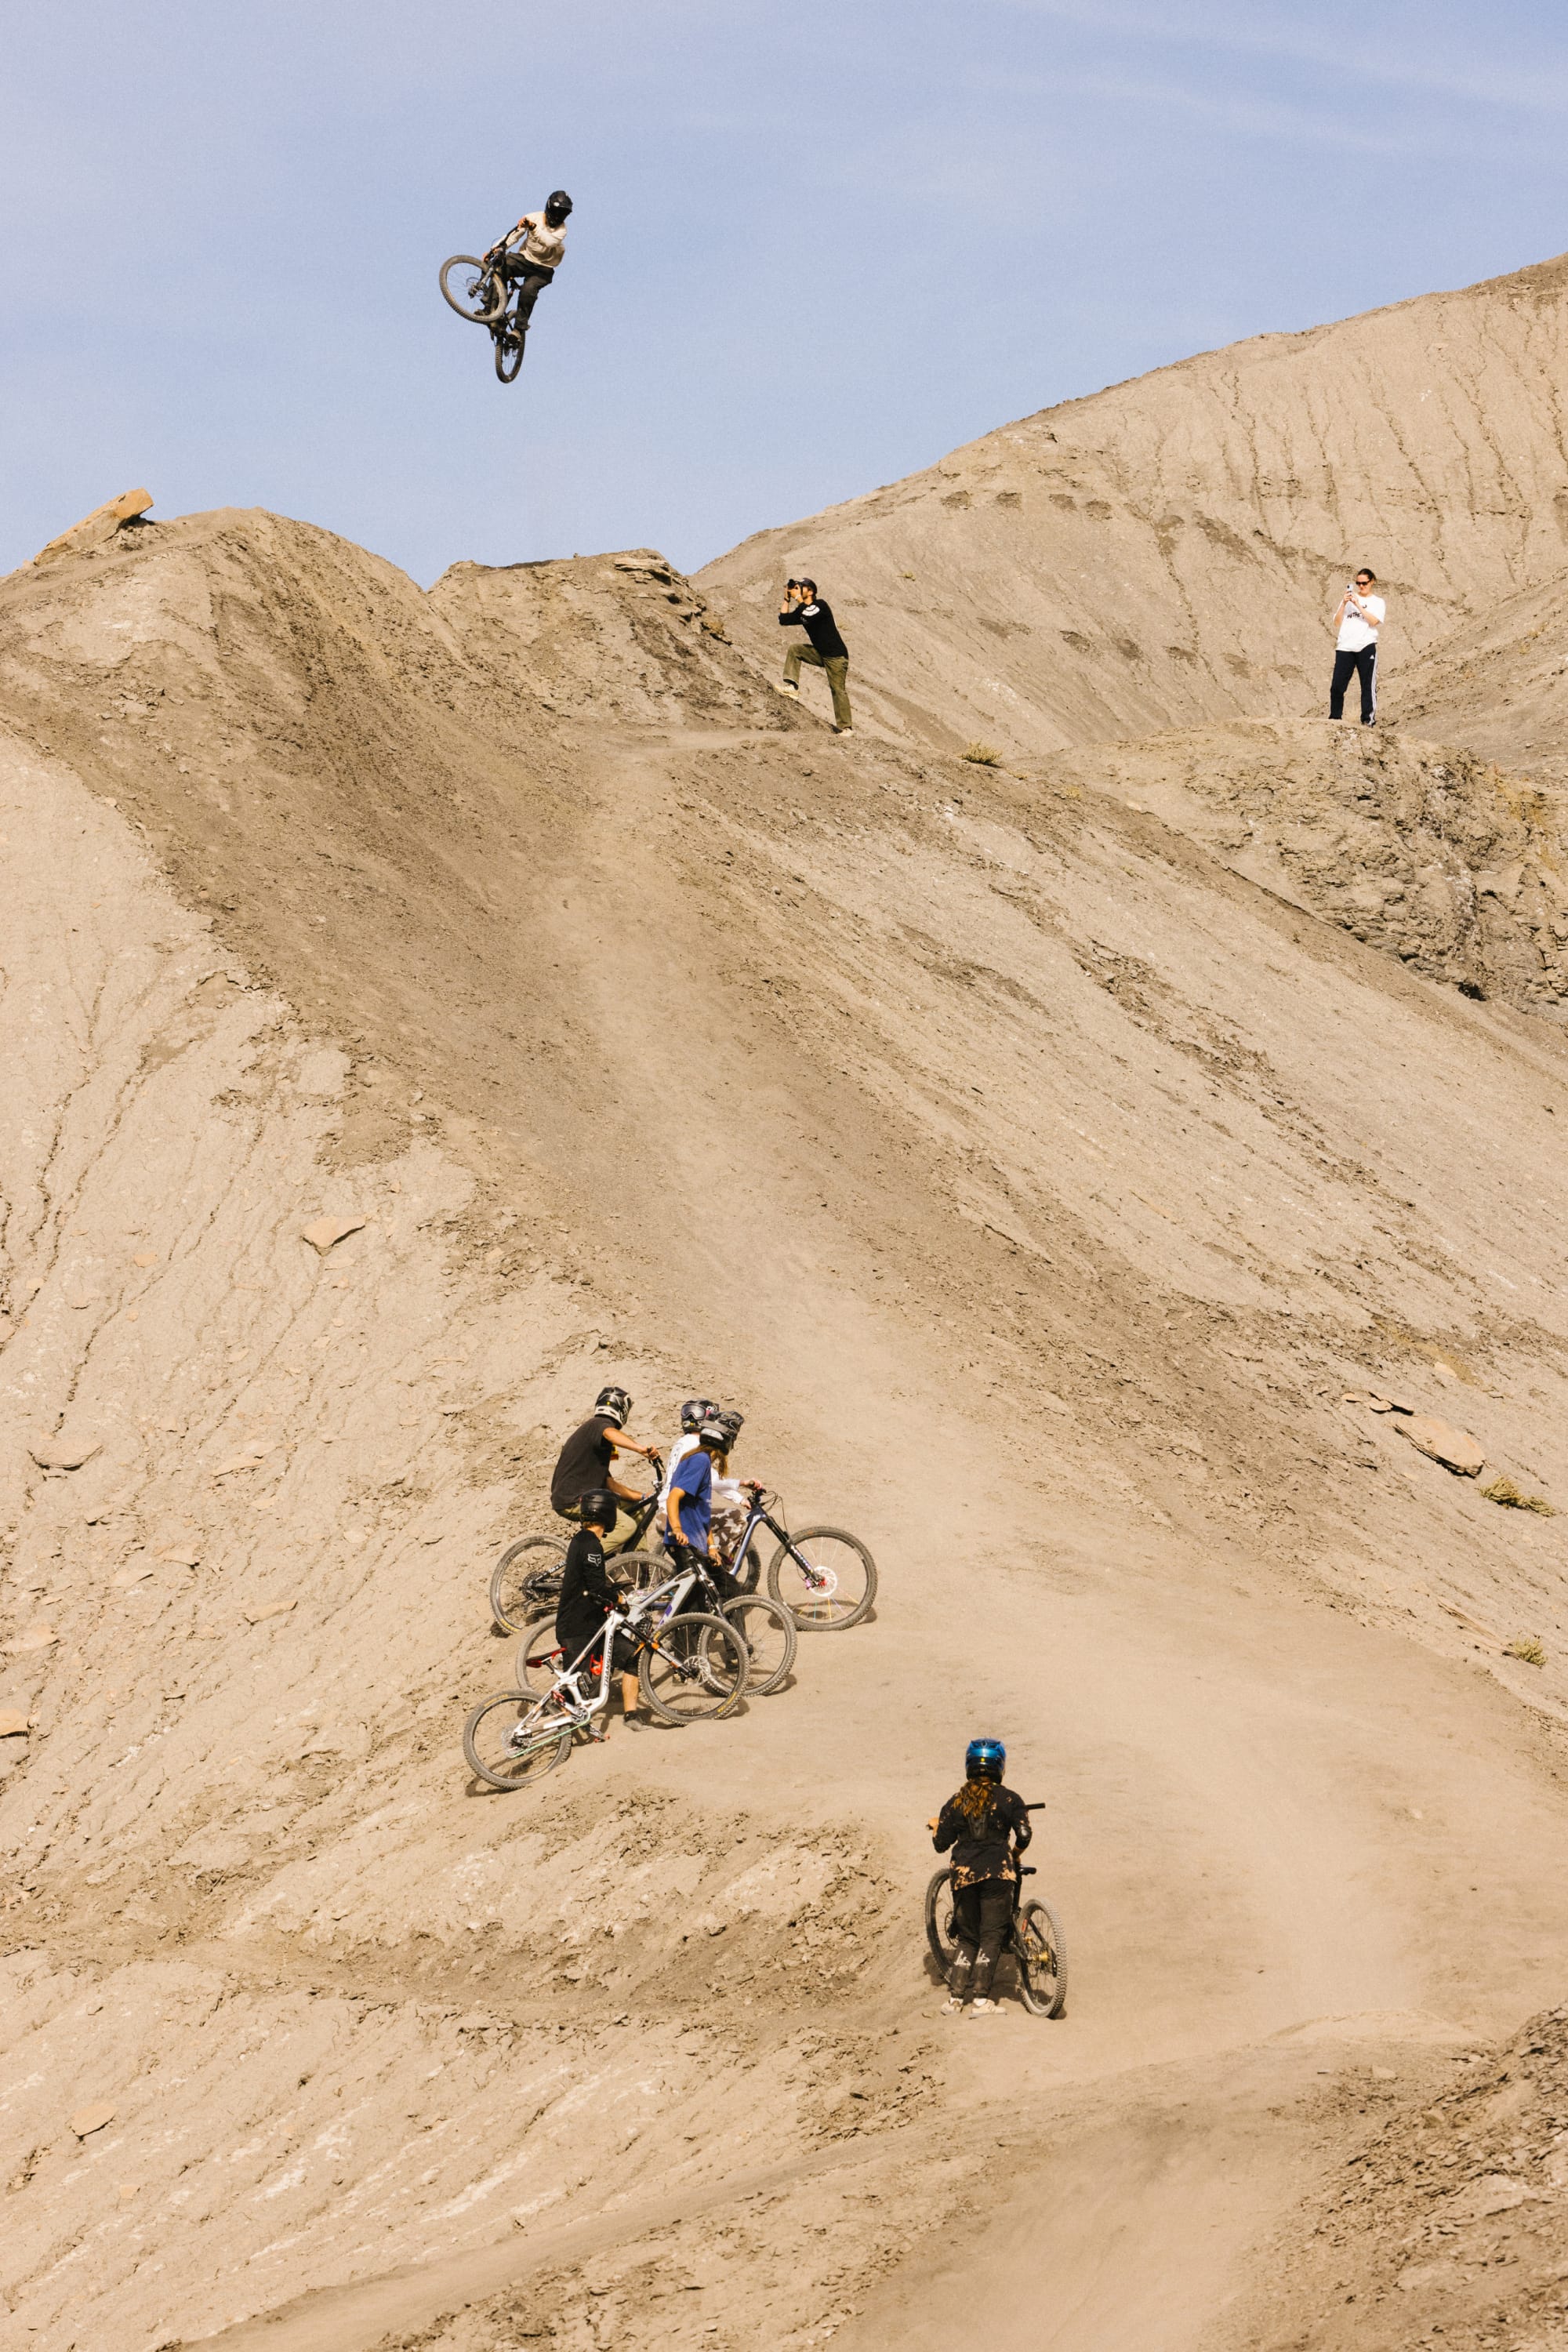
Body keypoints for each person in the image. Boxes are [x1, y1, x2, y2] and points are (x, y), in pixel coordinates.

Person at [928, 1739, 1031, 2015]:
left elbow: (940, 1844)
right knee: (992, 1935)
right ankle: (982, 2000)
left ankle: (955, 2000)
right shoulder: (1010, 1799)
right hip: (998, 1873)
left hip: (963, 1875)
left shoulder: (956, 1802)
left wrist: (937, 1826)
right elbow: (1024, 1835)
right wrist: (1016, 1854)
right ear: (1000, 1766)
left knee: (968, 1936)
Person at [554, 1489, 640, 1737]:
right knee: (573, 1687)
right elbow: (595, 1587)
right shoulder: (592, 1545)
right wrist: (619, 1599)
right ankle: (562, 1732)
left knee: (631, 1655)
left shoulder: (581, 1540)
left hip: (590, 1624)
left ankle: (631, 1715)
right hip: (579, 1628)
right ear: (606, 1514)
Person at [550, 1386, 659, 1555]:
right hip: (573, 1500)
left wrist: (644, 1497)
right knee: (627, 1526)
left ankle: (638, 1565)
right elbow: (609, 1433)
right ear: (622, 1410)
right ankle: (583, 1560)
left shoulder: (594, 1439)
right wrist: (640, 1449)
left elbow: (609, 1483)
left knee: (635, 1508)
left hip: (585, 1497)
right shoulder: (598, 1425)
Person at [664, 1411, 739, 1601]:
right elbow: (673, 1497)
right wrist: (678, 1529)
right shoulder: (700, 1461)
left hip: (695, 1542)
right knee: (722, 1591)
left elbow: (701, 1514)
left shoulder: (699, 1458)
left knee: (712, 1593)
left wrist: (712, 1547)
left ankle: (720, 1629)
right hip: (685, 1542)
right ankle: (731, 1631)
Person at [491, 189, 573, 334]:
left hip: (544, 269)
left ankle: (518, 331)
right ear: (549, 207)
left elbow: (548, 242)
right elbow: (513, 237)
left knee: (528, 290)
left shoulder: (562, 230)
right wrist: (494, 250)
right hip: (525, 259)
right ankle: (491, 310)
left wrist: (533, 228)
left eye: (562, 214)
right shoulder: (533, 218)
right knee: (501, 264)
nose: (558, 217)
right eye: (556, 212)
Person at [779, 579, 853, 734]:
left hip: (836, 657)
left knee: (837, 689)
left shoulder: (821, 605)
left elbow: (809, 612)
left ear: (811, 591)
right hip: (820, 653)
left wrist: (798, 597)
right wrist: (786, 599)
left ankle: (847, 728)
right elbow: (783, 620)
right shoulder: (802, 609)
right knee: (795, 649)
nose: (798, 589)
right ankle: (792, 687)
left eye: (802, 587)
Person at [1329, 568, 1385, 726]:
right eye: (1358, 583)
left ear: (1372, 581)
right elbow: (1337, 622)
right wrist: (1344, 603)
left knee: (1367, 686)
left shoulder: (1378, 602)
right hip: (1345, 646)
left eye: (1364, 583)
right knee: (1337, 686)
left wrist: (1359, 606)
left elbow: (1374, 622)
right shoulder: (1347, 600)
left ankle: (1368, 720)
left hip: (1365, 646)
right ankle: (1335, 719)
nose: (1361, 586)